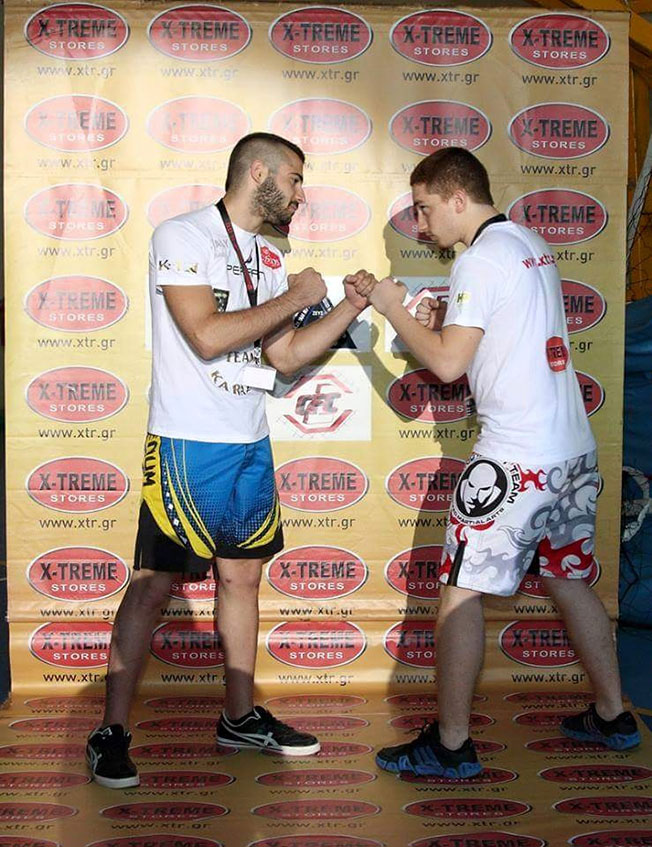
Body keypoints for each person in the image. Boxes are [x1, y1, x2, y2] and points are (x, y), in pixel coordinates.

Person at [86, 132, 373, 788]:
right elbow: (207, 336)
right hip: (187, 444)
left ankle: (239, 718)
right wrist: (296, 297)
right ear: (259, 172)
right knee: (154, 584)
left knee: (243, 579)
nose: (300, 195)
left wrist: (346, 308)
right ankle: (111, 731)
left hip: (249, 441)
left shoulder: (268, 256)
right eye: (294, 179)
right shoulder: (181, 235)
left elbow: (285, 356)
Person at [354, 147, 640, 779]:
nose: (421, 225)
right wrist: (445, 321)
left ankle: (452, 745)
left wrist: (393, 307)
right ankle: (613, 714)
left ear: (459, 198)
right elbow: (501, 342)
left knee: (460, 594)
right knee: (568, 578)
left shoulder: (479, 259)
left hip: (515, 461)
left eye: (425, 209)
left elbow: (448, 365)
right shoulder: (528, 242)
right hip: (572, 452)